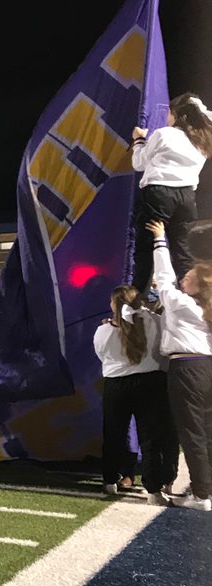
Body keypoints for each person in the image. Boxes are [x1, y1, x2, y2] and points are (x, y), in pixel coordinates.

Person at [146, 220, 212, 510]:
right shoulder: (202, 308)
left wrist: (160, 240)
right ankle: (206, 489)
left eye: (189, 276)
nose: (183, 277)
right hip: (206, 367)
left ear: (198, 284)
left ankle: (201, 494)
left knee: (192, 433)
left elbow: (163, 277)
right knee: (206, 432)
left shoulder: (183, 305)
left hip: (187, 368)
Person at [93, 285, 175, 506]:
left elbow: (102, 356)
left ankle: (110, 480)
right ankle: (153, 490)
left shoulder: (104, 331)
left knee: (114, 434)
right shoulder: (156, 322)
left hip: (116, 385)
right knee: (151, 438)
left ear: (114, 305)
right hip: (151, 382)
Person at [132, 94, 212, 293]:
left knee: (146, 248)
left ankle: (136, 300)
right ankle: (194, 297)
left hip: (159, 194)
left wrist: (139, 140)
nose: (167, 116)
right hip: (186, 198)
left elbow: (138, 163)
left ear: (177, 115)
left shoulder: (164, 134)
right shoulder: (202, 139)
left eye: (169, 112)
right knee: (182, 251)